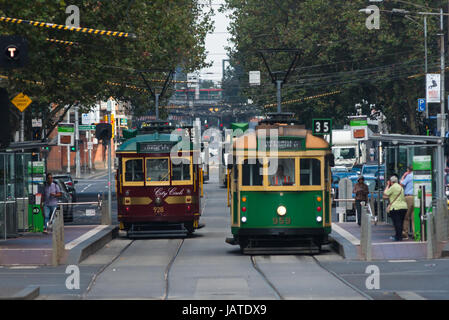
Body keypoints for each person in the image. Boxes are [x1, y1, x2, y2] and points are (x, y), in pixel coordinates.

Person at [384, 175, 408, 241]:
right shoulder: (401, 187)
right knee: (401, 222)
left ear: (391, 181)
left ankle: (398, 236)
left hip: (395, 207)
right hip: (404, 207)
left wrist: (387, 185)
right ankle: (399, 236)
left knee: (396, 223)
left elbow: (386, 193)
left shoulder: (393, 187)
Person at [400, 165, 414, 240]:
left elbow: (401, 184)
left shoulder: (408, 176)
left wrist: (403, 176)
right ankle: (415, 233)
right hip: (417, 197)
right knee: (414, 216)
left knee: (406, 216)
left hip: (409, 197)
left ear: (408, 170)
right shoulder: (416, 176)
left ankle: (405, 233)